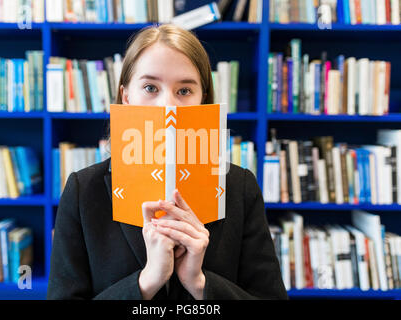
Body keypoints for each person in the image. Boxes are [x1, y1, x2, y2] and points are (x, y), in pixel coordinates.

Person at [47, 24, 288, 300]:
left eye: (184, 91)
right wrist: (146, 282)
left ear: (203, 100)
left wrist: (200, 283)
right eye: (150, 87)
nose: (168, 108)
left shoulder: (239, 187)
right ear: (126, 97)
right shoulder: (83, 190)